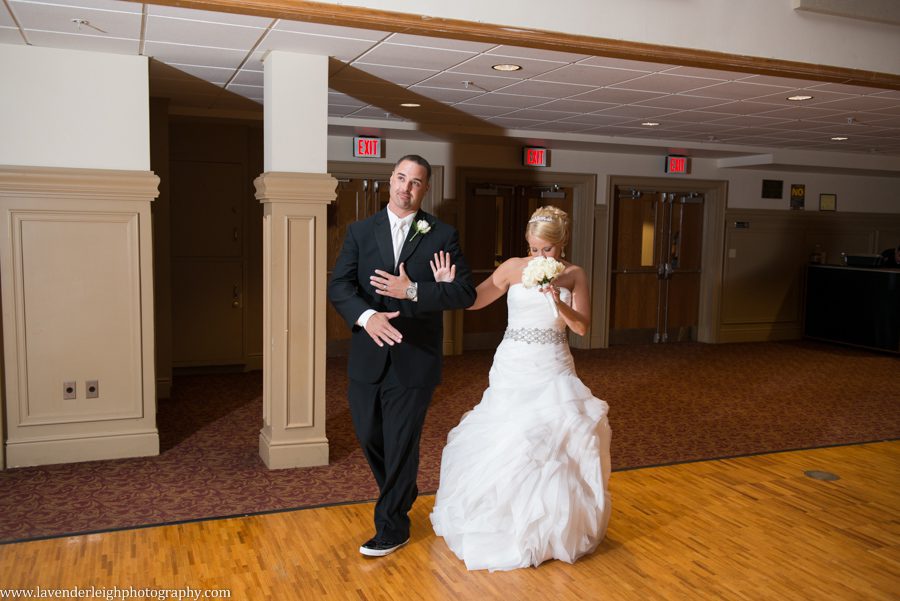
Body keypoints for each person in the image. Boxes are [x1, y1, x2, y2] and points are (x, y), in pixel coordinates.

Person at [429, 205, 612, 572]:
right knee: (510, 437)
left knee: (554, 439)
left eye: (547, 250)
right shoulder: (513, 267)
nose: (539, 257)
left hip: (553, 365)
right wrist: (449, 287)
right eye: (533, 248)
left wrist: (558, 303)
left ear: (562, 245)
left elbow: (581, 328)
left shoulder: (575, 274)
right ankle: (504, 522)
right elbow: (477, 300)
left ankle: (549, 529)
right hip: (514, 362)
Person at [327, 154, 476, 557]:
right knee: (369, 435)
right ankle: (403, 487)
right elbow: (339, 286)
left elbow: (465, 293)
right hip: (368, 354)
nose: (405, 187)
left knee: (401, 442)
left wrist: (413, 291)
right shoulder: (360, 232)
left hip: (415, 359)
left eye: (415, 182)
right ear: (390, 180)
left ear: (424, 189)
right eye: (400, 178)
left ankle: (392, 526)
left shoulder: (441, 234)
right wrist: (368, 316)